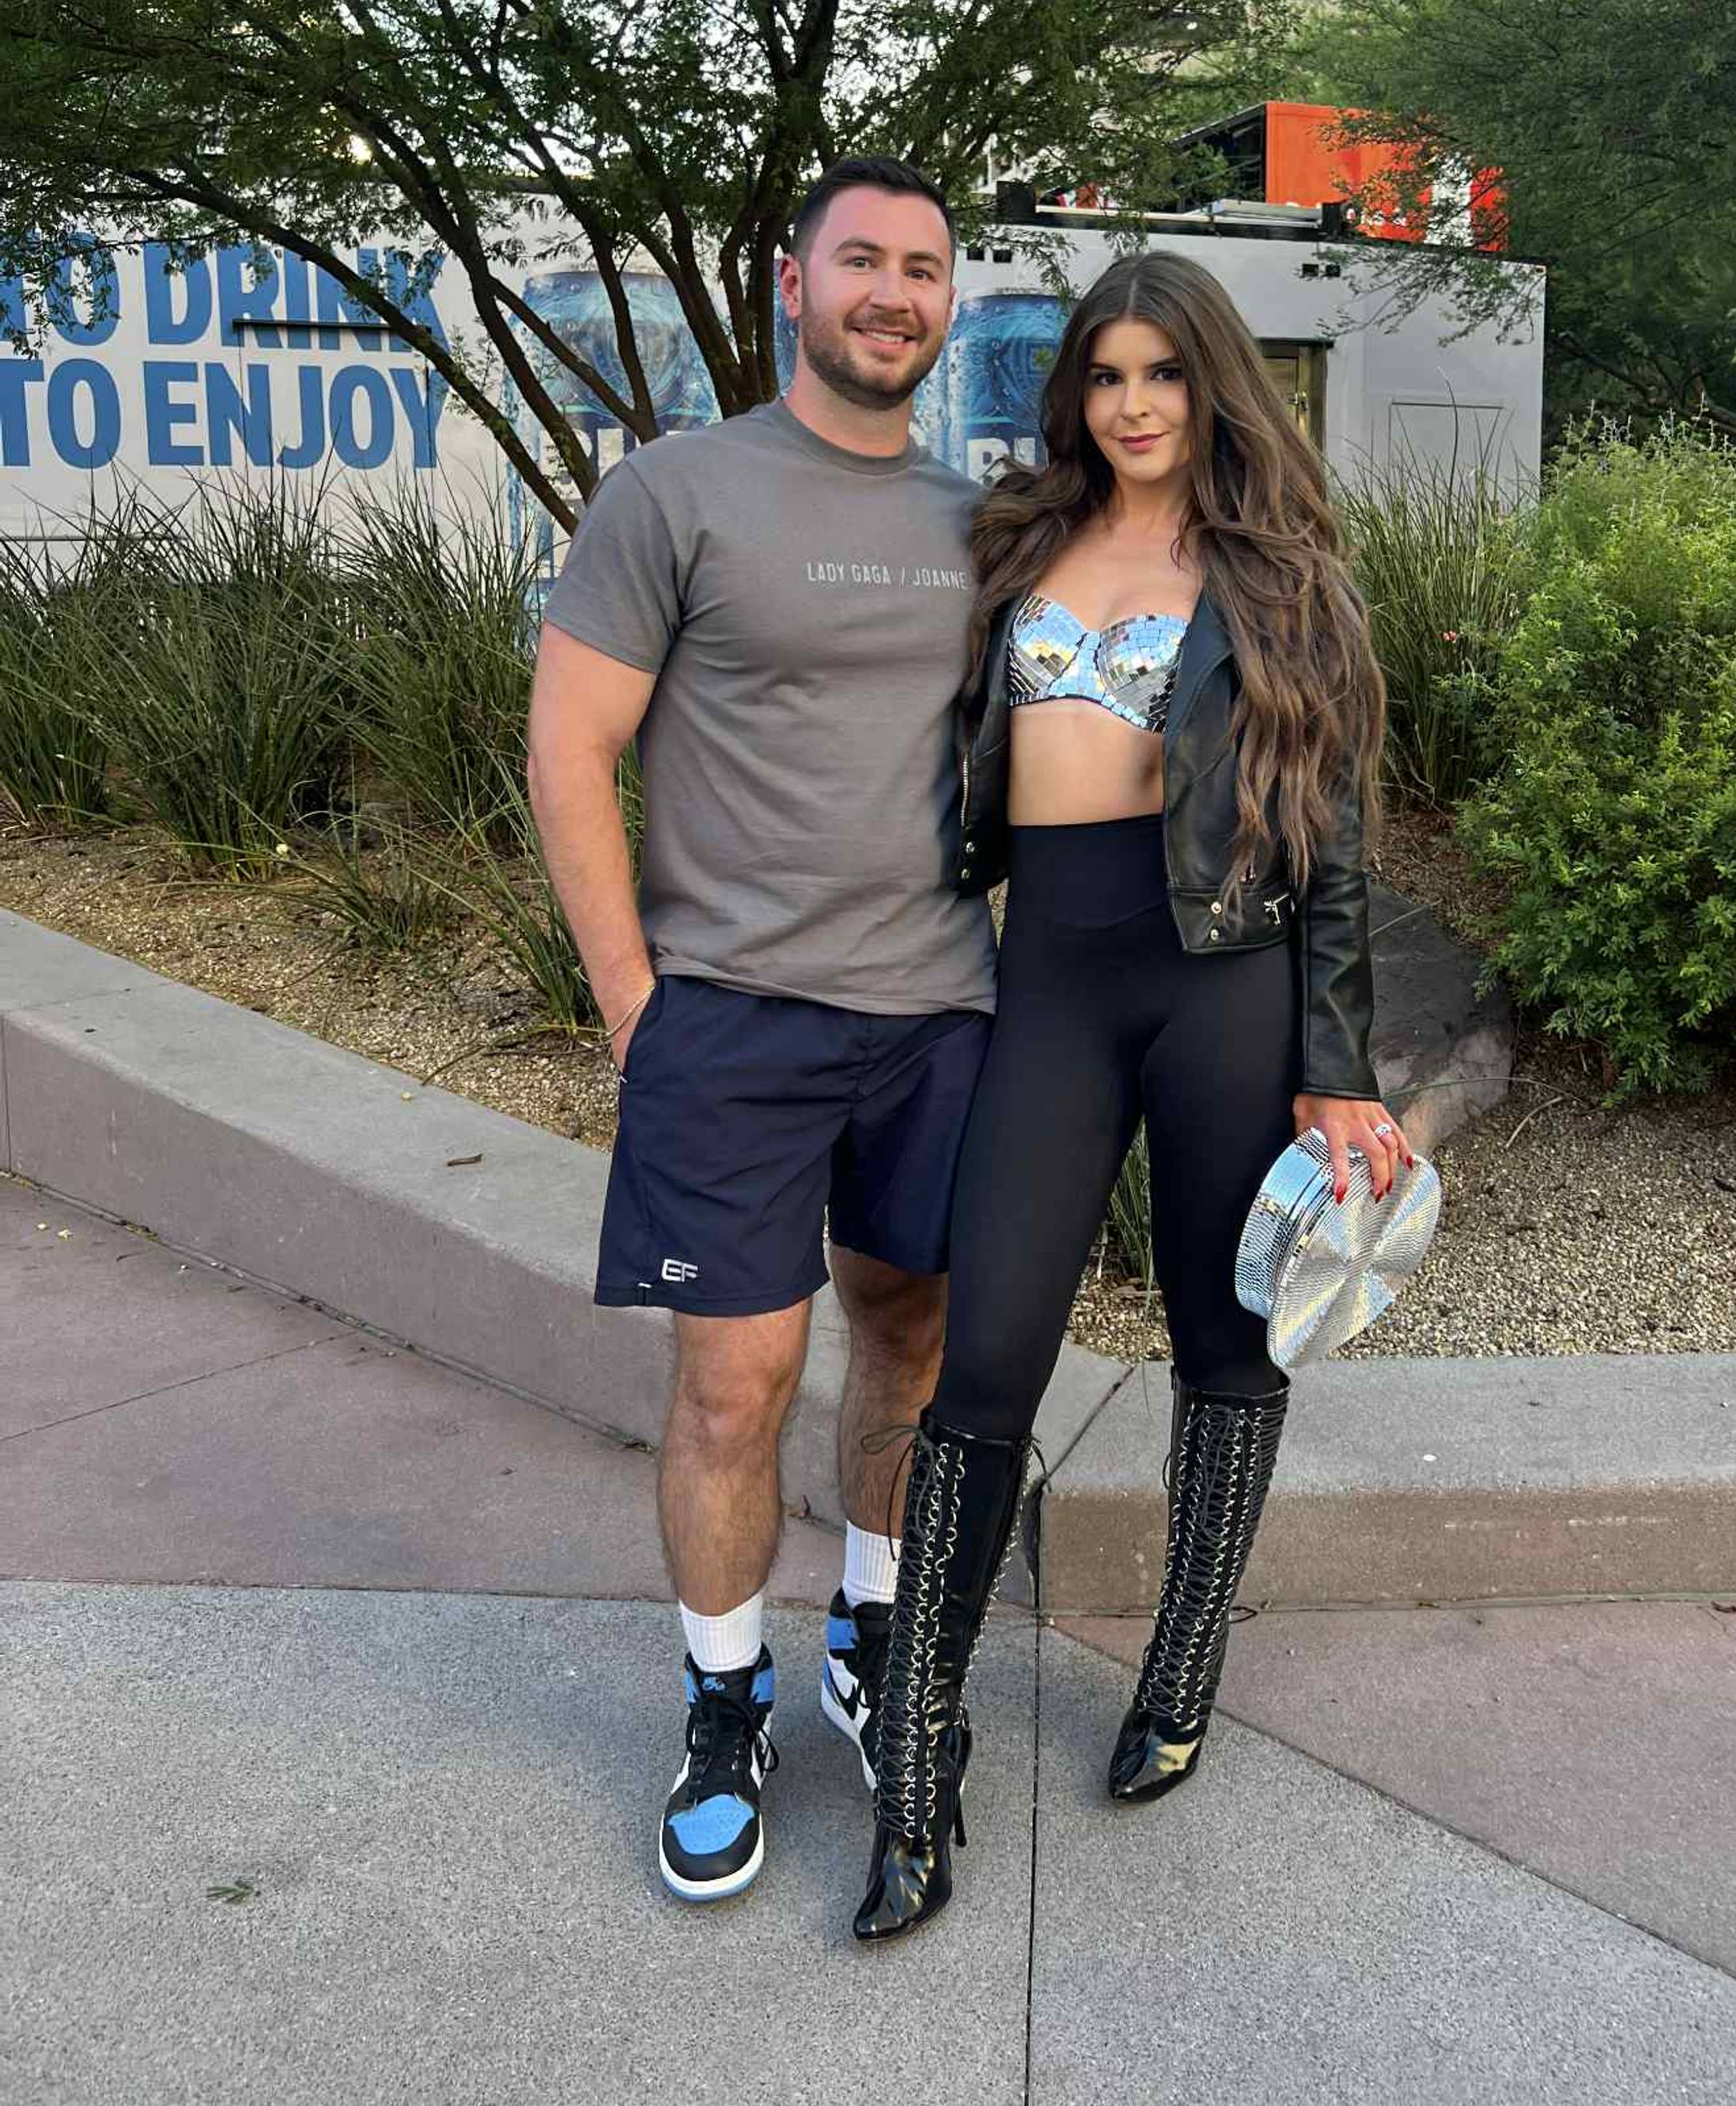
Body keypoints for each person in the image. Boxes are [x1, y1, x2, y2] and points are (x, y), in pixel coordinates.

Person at [853, 250, 1411, 1942]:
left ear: (1212, 384)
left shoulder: (1282, 576)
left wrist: (1335, 1069)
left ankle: (1182, 1658)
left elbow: (1332, 841)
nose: (1133, 405)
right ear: (1075, 393)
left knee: (1223, 1335)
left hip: (1222, 983)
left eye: (1163, 373)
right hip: (1050, 980)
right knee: (987, 1355)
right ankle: (920, 1745)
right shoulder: (1017, 542)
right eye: (1105, 375)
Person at [527, 155, 995, 1904]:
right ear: (794, 285)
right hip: (729, 1021)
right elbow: (570, 745)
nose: (892, 293)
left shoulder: (983, 524)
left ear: (946, 305)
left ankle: (869, 1637)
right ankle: (723, 1702)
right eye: (860, 260)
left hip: (940, 1016)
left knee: (911, 1345)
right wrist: (634, 1006)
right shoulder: (678, 493)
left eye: (922, 269)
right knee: (736, 1380)